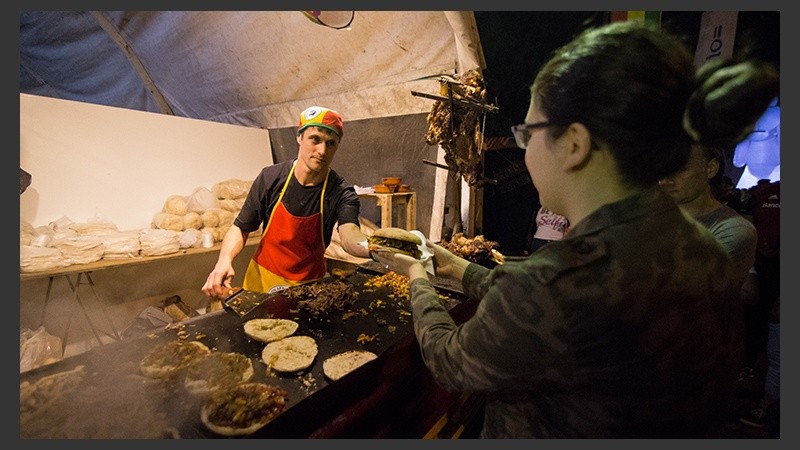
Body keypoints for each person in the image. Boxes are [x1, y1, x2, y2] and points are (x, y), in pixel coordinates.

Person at [370, 21, 779, 438]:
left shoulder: (562, 277)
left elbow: (451, 361)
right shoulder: (700, 249)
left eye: (528, 135)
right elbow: (541, 306)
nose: (525, 154)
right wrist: (455, 266)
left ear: (574, 144)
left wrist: (418, 276)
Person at [202, 106, 371, 297]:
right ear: (299, 137)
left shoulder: (341, 192)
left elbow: (349, 236)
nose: (322, 150)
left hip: (309, 289)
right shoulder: (271, 178)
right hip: (262, 282)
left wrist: (376, 248)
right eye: (315, 139)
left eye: (330, 143)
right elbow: (241, 227)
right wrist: (224, 260)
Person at [658, 144, 757, 288]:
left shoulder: (733, 230)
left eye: (679, 169)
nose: (664, 180)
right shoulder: (652, 215)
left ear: (711, 169)